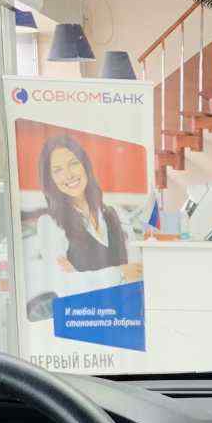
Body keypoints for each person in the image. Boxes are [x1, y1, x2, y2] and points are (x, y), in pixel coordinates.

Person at [25, 135, 142, 318]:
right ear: (50, 179)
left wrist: (85, 279)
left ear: (85, 165)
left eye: (73, 163)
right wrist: (119, 273)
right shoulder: (50, 224)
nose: (69, 175)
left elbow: (136, 272)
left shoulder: (117, 214)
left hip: (123, 318)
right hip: (84, 320)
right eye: (57, 170)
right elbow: (66, 287)